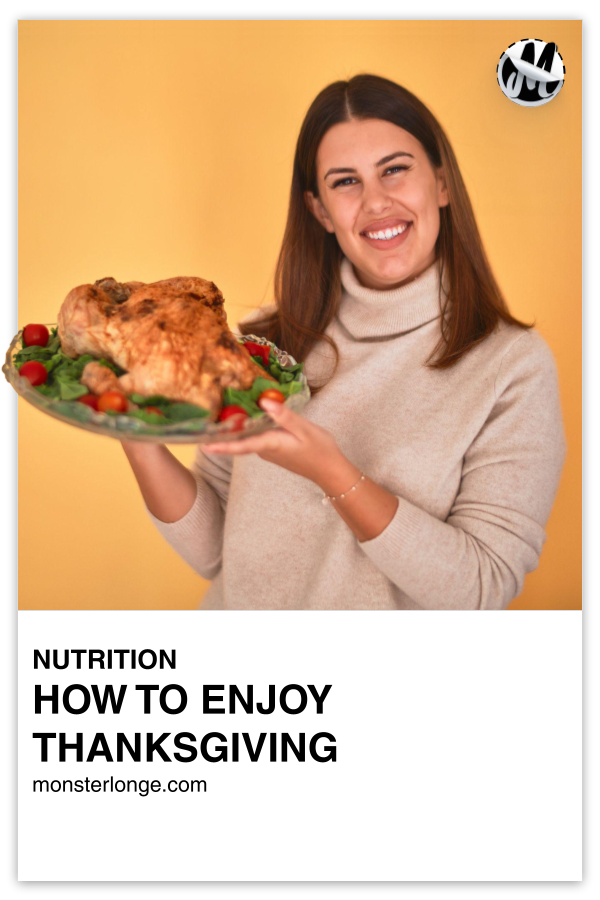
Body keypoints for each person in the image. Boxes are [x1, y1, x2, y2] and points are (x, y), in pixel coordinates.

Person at [122, 74, 567, 610]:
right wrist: (129, 423)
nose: (377, 202)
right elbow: (215, 552)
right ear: (320, 211)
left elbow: (481, 588)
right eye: (345, 182)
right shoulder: (267, 342)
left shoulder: (511, 368)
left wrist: (330, 472)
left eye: (395, 170)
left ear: (442, 183)